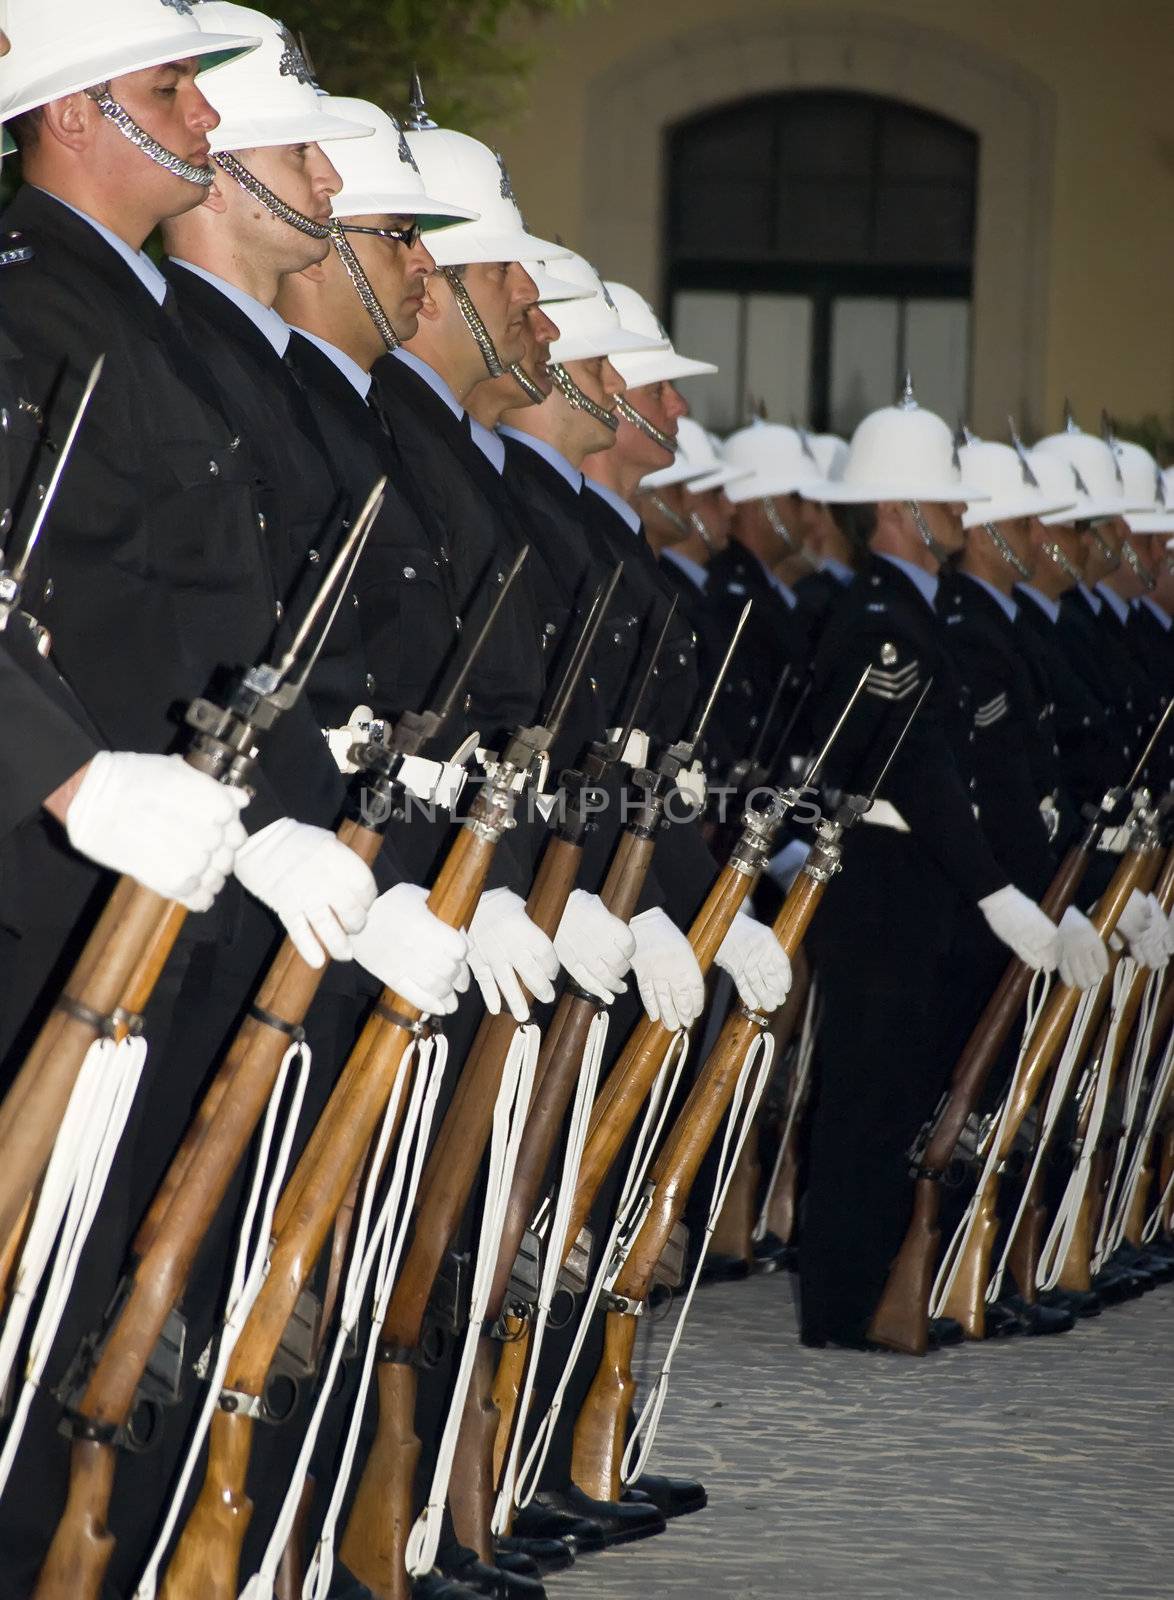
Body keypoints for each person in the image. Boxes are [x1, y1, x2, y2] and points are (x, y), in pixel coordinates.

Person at [797, 379, 1070, 1351]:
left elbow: (971, 772)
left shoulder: (917, 611)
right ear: (905, 511)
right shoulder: (878, 616)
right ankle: (842, 1304)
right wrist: (999, 889)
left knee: (900, 1087)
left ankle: (871, 1289)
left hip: (914, 887)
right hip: (880, 881)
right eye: (947, 496)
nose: (961, 511)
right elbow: (914, 769)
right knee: (867, 1095)